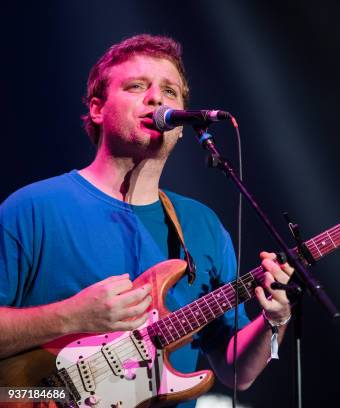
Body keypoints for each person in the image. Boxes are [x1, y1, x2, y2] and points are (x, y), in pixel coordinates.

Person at [0, 34, 293, 406]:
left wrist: (275, 320)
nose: (157, 98)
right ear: (96, 109)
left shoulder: (203, 226)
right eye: (137, 86)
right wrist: (72, 317)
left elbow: (238, 371)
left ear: (184, 124)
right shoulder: (33, 209)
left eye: (170, 92)